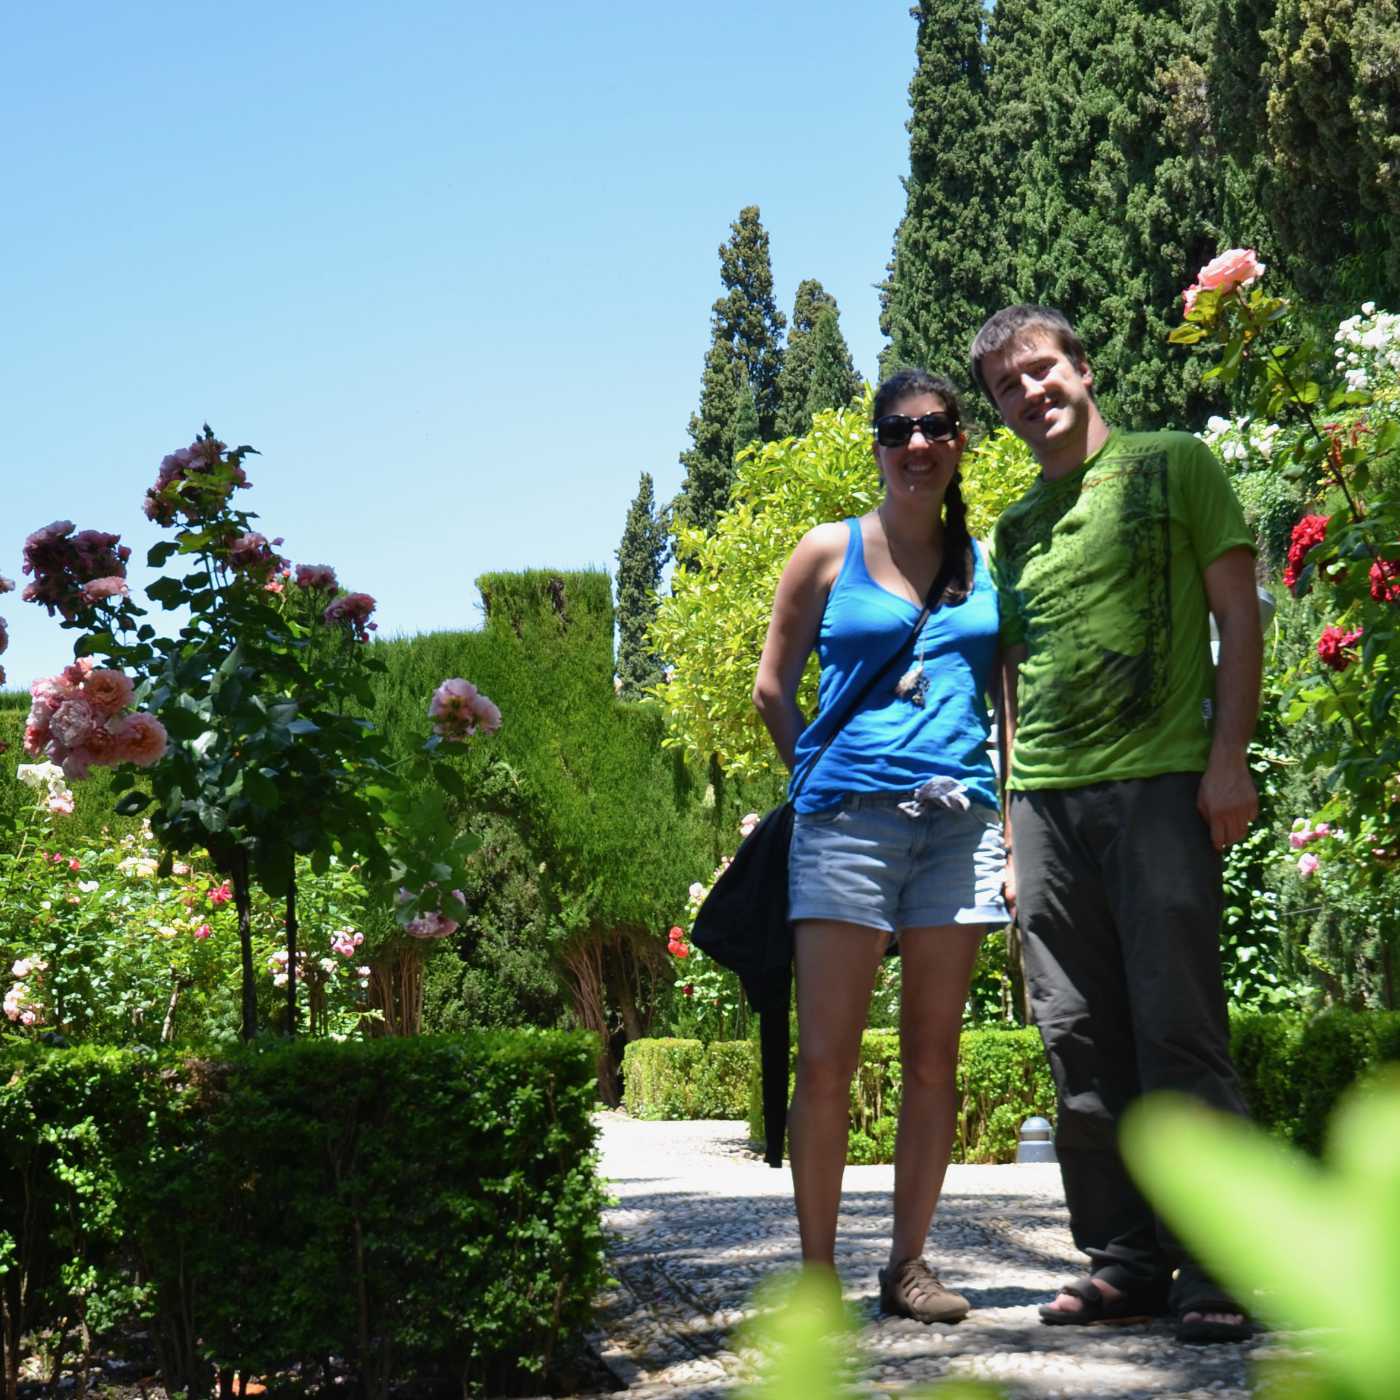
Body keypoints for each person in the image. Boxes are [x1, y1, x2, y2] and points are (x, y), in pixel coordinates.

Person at [969, 305, 1263, 1344]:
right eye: (1008, 386)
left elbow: (1237, 612)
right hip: (1044, 803)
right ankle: (1125, 1258)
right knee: (1074, 1040)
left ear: (1081, 369)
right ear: (998, 408)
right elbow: (1008, 682)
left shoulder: (1171, 464)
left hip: (1156, 787)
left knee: (1177, 1025)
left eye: (1041, 371)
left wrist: (1226, 756)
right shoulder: (1010, 530)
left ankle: (1218, 1259)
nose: (1029, 394)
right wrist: (1010, 833)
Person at [752, 369, 1007, 1323]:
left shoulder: (985, 563)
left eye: (936, 427)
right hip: (846, 827)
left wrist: (1013, 829)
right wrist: (821, 783)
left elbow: (1006, 703)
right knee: (827, 1062)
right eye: (898, 430)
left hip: (959, 825)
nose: (917, 445)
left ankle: (908, 1266)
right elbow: (773, 688)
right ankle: (818, 1280)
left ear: (959, 442)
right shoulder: (827, 551)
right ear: (877, 445)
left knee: (933, 1057)